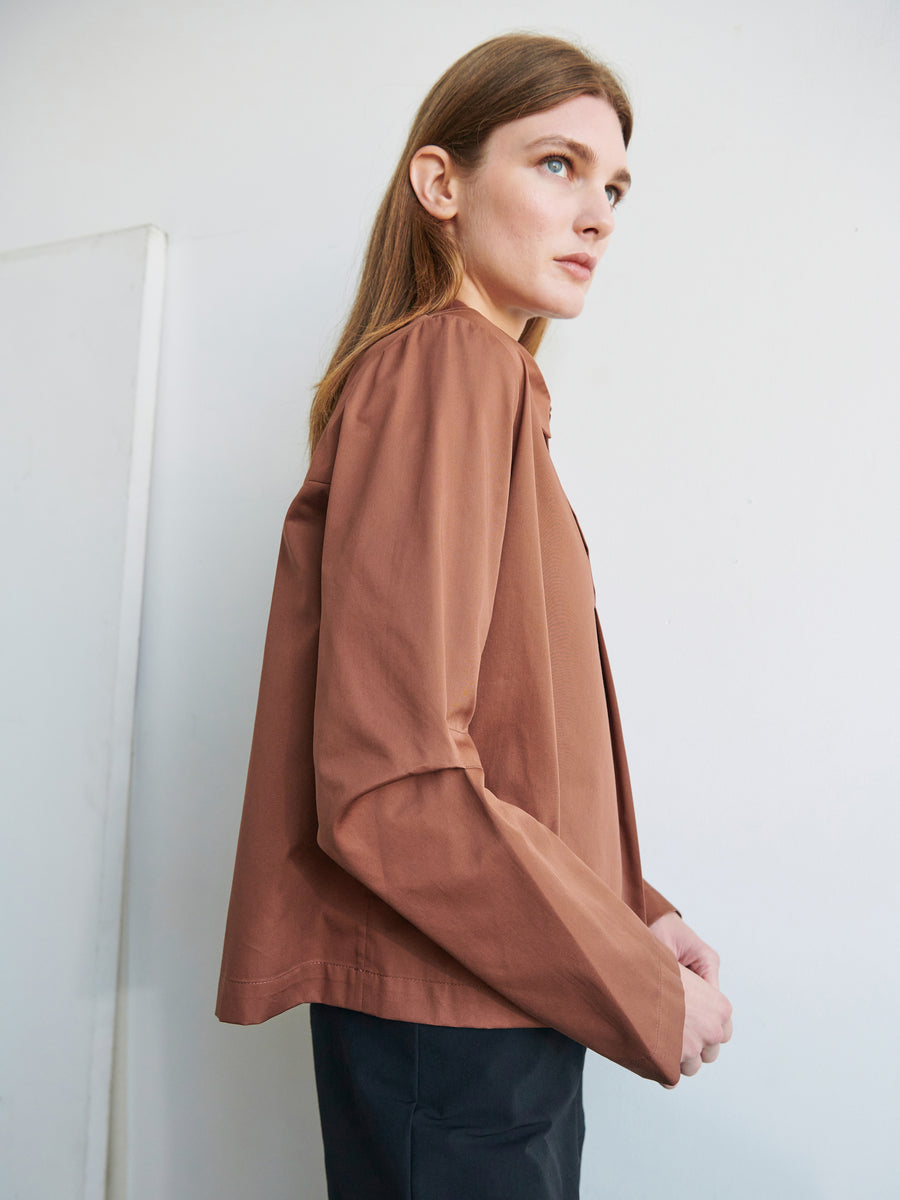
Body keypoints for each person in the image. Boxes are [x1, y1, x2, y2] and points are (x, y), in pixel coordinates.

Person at [216, 30, 733, 1199]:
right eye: (556, 165)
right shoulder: (448, 371)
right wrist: (641, 987)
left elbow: (509, 751)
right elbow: (396, 780)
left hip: (497, 998)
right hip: (454, 1028)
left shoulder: (484, 390)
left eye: (614, 187)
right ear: (441, 185)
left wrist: (636, 917)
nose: (598, 212)